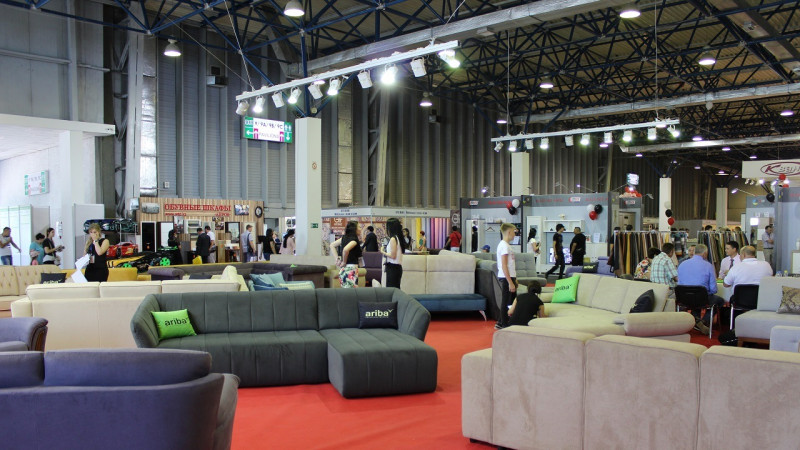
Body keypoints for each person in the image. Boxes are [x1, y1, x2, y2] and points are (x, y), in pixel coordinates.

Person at [677, 244, 725, 334]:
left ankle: (697, 320)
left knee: (695, 301)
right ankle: (703, 321)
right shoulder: (708, 266)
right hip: (701, 298)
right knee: (720, 301)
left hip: (684, 298)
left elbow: (679, 283)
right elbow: (714, 289)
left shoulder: (682, 264)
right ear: (704, 253)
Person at [495, 223, 518, 329]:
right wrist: (510, 282)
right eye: (514, 232)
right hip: (506, 278)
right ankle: (503, 324)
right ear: (509, 232)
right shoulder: (504, 246)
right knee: (506, 301)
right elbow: (504, 265)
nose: (514, 234)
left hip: (510, 276)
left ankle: (500, 321)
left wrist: (514, 279)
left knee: (511, 301)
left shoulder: (507, 246)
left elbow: (510, 265)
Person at [330, 221, 362, 288]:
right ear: (354, 229)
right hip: (351, 269)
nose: (360, 229)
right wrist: (344, 262)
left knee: (346, 290)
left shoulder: (344, 238)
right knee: (351, 291)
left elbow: (332, 245)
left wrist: (337, 259)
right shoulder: (354, 240)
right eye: (359, 227)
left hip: (343, 270)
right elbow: (345, 250)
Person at [381, 218, 406, 288]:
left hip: (393, 268)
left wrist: (383, 251)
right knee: (395, 289)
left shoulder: (393, 239)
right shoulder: (399, 238)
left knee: (391, 289)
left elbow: (393, 256)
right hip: (397, 268)